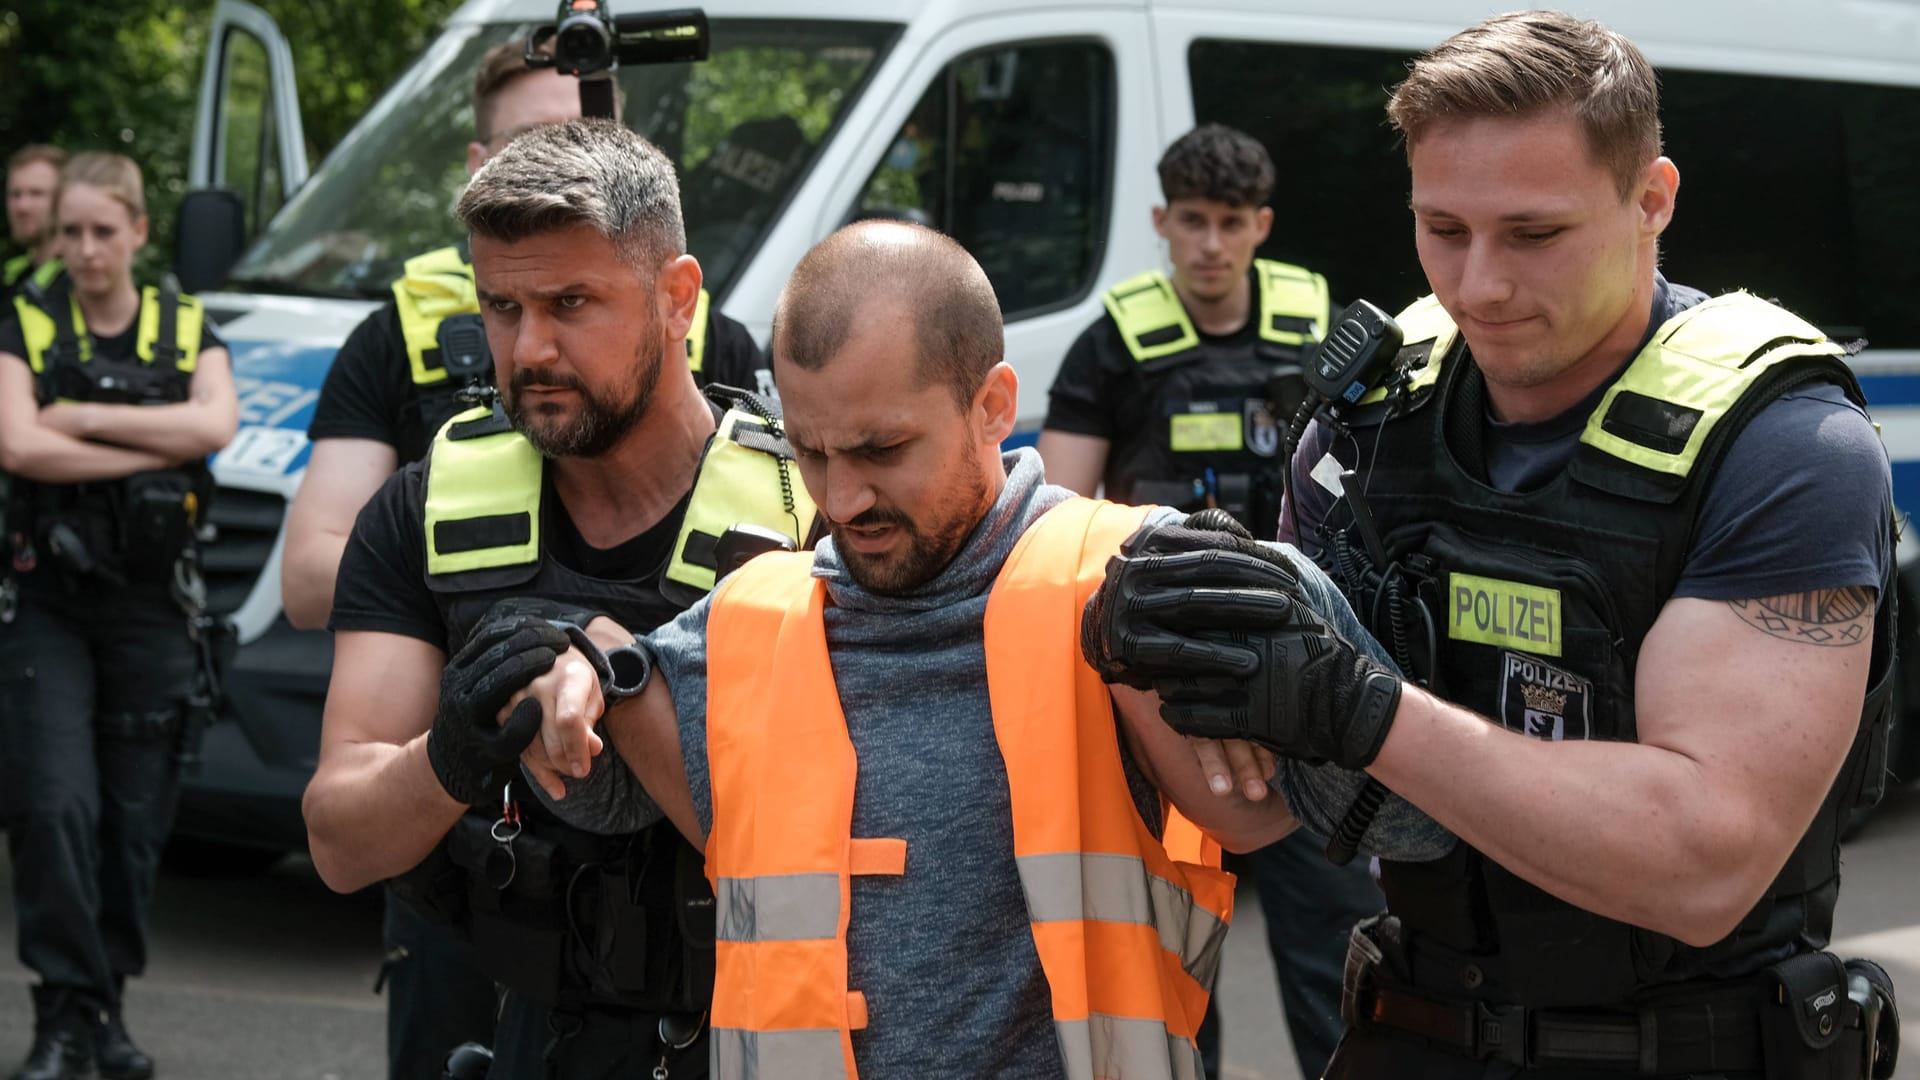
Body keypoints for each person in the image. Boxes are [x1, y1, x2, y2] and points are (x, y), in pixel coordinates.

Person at [1085, 11, 1901, 1078]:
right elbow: (1255, 814)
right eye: (1443, 229)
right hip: (1409, 1033)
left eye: (1534, 234)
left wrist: (1364, 713)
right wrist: (1134, 649)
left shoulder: (1787, 448)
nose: (1477, 286)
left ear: (1652, 199)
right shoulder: (1368, 418)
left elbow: (1703, 867)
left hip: (1693, 1047)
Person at [509, 220, 1449, 1078]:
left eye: (882, 450)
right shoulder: (749, 617)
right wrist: (581, 658)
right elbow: (600, 776)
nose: (841, 501)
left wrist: (1316, 624)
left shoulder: (1132, 580)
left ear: (994, 404)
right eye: (812, 451)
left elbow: (1395, 824)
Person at [279, 41, 768, 1080]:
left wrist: (618, 674)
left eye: (572, 305)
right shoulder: (427, 509)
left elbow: (834, 858)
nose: (530, 349)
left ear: (679, 298)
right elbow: (339, 839)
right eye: (503, 308)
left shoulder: (797, 512)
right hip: (510, 1031)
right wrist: (452, 754)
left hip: (745, 1037)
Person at [1037, 123, 1377, 1079]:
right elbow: (1063, 510)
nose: (1212, 244)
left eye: (1231, 222)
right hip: (1167, 687)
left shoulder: (1328, 328)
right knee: (1175, 951)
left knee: (1339, 960)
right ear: (1163, 222)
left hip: (1311, 678)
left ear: (1261, 224)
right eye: (1193, 221)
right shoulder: (1114, 342)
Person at [0, 152, 239, 1080]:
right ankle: (65, 1016)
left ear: (139, 231)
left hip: (151, 609)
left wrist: (80, 422)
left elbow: (215, 429)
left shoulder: (186, 326)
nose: (87, 249)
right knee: (54, 808)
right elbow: (17, 442)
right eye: (71, 232)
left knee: (133, 826)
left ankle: (105, 1010)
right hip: (47, 608)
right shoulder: (24, 320)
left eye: (105, 230)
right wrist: (153, 447)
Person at [3, 145, 66, 304]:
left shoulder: (82, 284)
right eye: (15, 194)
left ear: (66, 199)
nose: (22, 206)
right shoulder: (11, 277)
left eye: (36, 193)